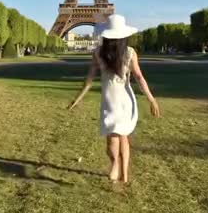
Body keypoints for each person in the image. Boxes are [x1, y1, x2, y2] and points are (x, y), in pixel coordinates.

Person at [68, 14, 160, 183]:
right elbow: (139, 77)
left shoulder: (98, 53)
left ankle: (117, 167)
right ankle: (121, 171)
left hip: (110, 101)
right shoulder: (129, 52)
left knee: (114, 138)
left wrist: (78, 98)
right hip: (125, 101)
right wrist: (151, 99)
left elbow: (89, 79)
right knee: (122, 136)